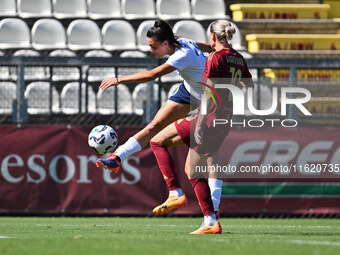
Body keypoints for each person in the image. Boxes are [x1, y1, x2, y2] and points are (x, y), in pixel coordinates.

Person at [150, 19, 254, 234]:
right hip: (225, 118)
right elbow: (248, 85)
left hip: (208, 118)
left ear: (213, 37)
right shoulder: (238, 57)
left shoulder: (215, 57)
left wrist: (200, 121)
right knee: (196, 166)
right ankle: (209, 219)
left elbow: (209, 89)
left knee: (157, 141)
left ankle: (187, 203)